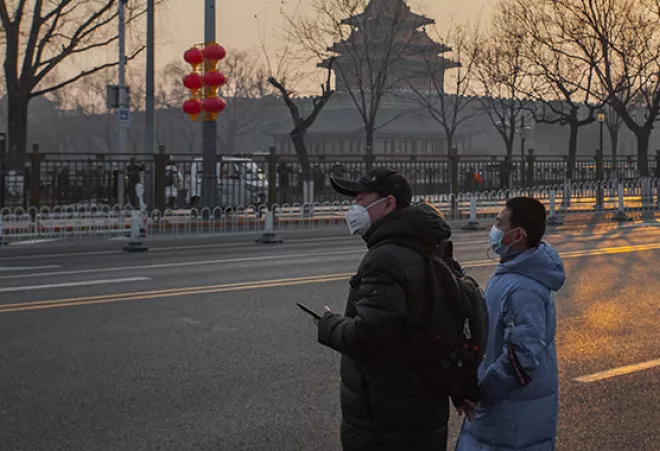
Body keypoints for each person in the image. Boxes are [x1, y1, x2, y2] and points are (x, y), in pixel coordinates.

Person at [314, 167, 457, 451]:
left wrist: (329, 325)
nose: (353, 208)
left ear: (388, 203)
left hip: (386, 417)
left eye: (361, 200)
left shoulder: (386, 257)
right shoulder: (428, 245)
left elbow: (370, 335)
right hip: (421, 406)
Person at [455, 197, 566, 451]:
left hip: (512, 418)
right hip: (506, 415)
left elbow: (522, 356)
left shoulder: (523, 287)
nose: (493, 230)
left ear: (517, 235)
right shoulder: (514, 272)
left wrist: (483, 391)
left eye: (499, 223)